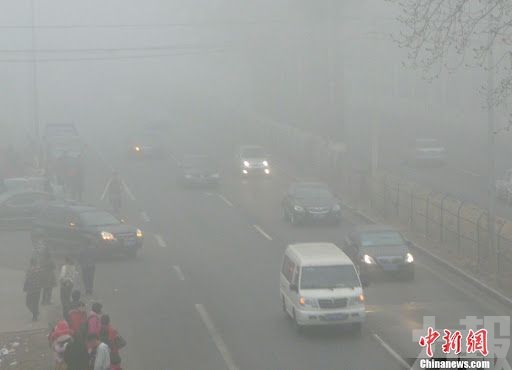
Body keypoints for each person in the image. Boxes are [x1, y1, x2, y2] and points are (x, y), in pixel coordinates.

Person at [23, 257, 42, 321]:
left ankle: (35, 314)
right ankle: (35, 315)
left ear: (31, 263)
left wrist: (25, 287)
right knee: (35, 303)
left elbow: (27, 279)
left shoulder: (29, 270)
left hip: (31, 289)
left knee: (28, 302)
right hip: (38, 289)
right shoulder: (39, 269)